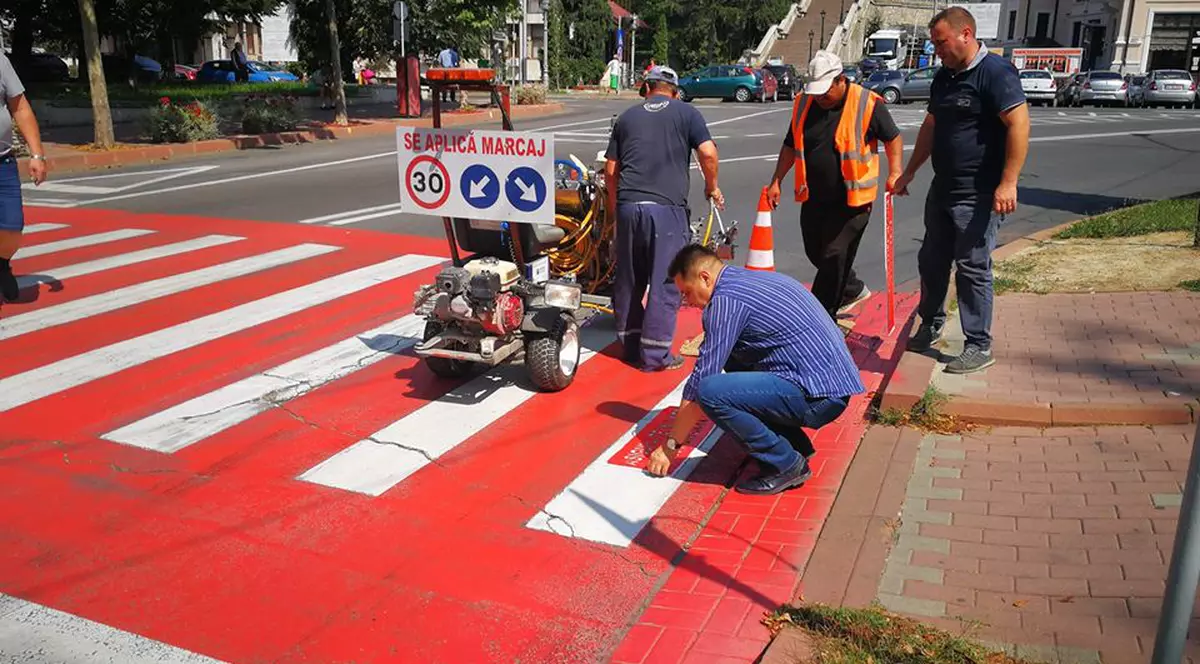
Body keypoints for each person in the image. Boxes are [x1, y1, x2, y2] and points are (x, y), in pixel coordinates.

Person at [646, 244, 865, 495]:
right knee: (730, 358)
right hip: (831, 384)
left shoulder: (725, 302)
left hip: (818, 396)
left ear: (704, 278)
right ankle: (795, 445)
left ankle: (786, 464)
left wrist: (670, 447)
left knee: (710, 392)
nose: (687, 302)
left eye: (687, 292)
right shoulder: (749, 279)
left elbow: (700, 383)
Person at [893, 6, 1030, 374]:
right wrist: (909, 172)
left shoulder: (995, 74)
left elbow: (1018, 123)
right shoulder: (945, 77)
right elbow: (931, 126)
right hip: (943, 189)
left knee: (972, 268)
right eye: (935, 44)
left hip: (979, 192)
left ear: (966, 34)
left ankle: (978, 345)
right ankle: (932, 322)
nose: (937, 50)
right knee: (931, 260)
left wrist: (1008, 181)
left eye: (942, 43)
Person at [765, 50, 905, 321]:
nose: (820, 98)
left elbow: (893, 138)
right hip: (815, 197)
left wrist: (895, 172)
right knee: (815, 251)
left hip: (853, 201)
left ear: (841, 80)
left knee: (833, 255)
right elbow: (790, 145)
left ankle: (818, 317)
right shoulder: (804, 104)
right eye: (816, 93)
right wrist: (776, 181)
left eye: (825, 92)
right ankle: (852, 290)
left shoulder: (867, 103)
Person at [604, 66, 722, 372]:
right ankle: (655, 356)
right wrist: (712, 187)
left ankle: (629, 346)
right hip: (665, 209)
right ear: (675, 90)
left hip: (629, 205)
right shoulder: (687, 113)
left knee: (629, 279)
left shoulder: (627, 117)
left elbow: (611, 170)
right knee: (665, 281)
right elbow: (708, 154)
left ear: (646, 88)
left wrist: (618, 211)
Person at [1, 53, 48, 305]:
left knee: (12, 229)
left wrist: (37, 154)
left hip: (2, 162)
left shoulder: (0, 61)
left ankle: (1, 264)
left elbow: (19, 107)